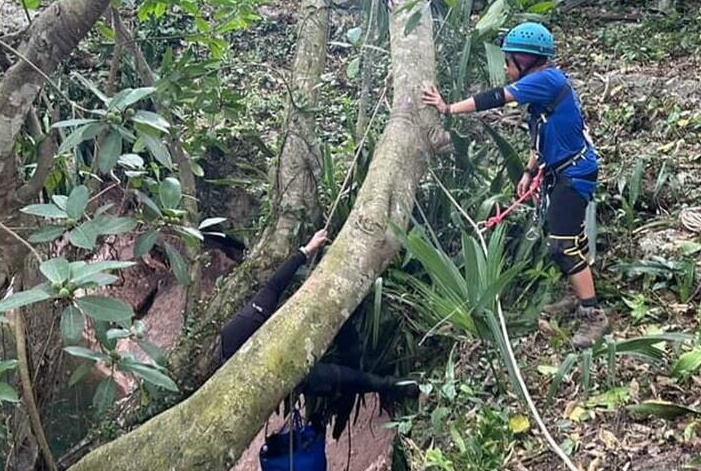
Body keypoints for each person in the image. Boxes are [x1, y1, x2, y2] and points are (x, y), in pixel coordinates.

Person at [421, 21, 608, 348]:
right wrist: (528, 170)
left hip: (573, 174)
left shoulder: (544, 80)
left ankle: (593, 315)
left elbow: (496, 98)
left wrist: (448, 108)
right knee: (570, 239)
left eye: (508, 61)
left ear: (525, 59)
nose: (505, 68)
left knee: (562, 246)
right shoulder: (542, 90)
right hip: (562, 171)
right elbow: (542, 134)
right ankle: (579, 294)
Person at [220, 229, 420, 408]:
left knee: (337, 322)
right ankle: (396, 386)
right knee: (342, 380)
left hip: (294, 339)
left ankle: (361, 363)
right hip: (287, 374)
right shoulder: (238, 350)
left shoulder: (245, 322)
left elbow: (273, 287)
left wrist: (307, 250)